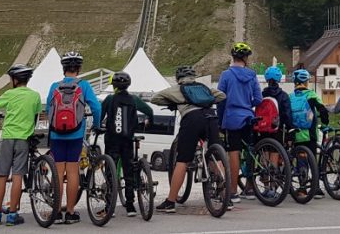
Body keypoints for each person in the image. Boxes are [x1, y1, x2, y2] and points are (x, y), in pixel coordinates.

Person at [151, 65, 226, 214]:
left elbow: (155, 98)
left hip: (192, 119)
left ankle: (170, 202)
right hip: (211, 117)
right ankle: (226, 196)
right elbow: (222, 96)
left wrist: (175, 102)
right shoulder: (203, 87)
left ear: (179, 78)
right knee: (215, 156)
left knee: (183, 160)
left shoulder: (177, 89)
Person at [45, 51, 101, 224]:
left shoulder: (55, 86)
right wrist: (96, 125)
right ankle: (70, 212)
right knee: (72, 171)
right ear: (79, 68)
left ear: (64, 68)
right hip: (76, 135)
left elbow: (48, 108)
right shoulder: (84, 86)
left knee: (58, 173)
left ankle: (55, 212)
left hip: (57, 135)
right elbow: (97, 107)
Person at [0, 64, 41, 226]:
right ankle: (13, 214)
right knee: (17, 176)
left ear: (15, 80)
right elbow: (35, 119)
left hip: (8, 138)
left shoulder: (9, 94)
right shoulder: (35, 96)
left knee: (2, 175)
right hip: (23, 140)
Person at [100, 71, 155, 217]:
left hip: (112, 141)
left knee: (110, 172)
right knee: (128, 170)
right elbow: (149, 111)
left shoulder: (109, 99)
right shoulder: (134, 99)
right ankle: (130, 206)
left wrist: (98, 126)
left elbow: (99, 116)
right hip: (127, 140)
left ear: (114, 86)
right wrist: (150, 121)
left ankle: (109, 206)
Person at [216, 42, 263, 202]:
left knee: (234, 153)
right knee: (250, 151)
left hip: (232, 119)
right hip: (248, 117)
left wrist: (220, 121)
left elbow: (220, 99)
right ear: (245, 58)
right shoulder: (252, 75)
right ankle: (250, 188)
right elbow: (258, 99)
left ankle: (233, 191)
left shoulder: (226, 75)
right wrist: (246, 105)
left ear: (233, 57)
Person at [289, 69, 329, 197]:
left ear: (295, 82)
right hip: (310, 133)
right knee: (312, 159)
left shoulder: (290, 96)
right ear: (306, 82)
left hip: (296, 134)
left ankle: (302, 188)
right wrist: (325, 123)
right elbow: (322, 110)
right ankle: (315, 188)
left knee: (301, 160)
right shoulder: (311, 95)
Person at [261, 66, 294, 145]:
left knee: (264, 149)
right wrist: (290, 128)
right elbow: (287, 114)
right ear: (279, 79)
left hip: (263, 127)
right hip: (277, 128)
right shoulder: (284, 95)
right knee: (275, 150)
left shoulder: (262, 95)